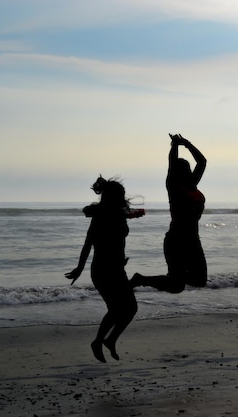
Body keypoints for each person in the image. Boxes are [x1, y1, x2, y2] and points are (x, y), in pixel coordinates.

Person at [65, 176, 145, 363]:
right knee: (120, 308)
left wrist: (136, 214)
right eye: (121, 194)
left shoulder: (117, 213)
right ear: (112, 197)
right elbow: (88, 243)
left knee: (129, 308)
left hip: (116, 268)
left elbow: (123, 219)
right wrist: (79, 268)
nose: (124, 197)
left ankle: (109, 340)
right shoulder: (101, 216)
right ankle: (100, 341)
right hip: (103, 270)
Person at [131, 134, 207, 293]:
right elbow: (172, 163)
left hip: (193, 239)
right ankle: (141, 280)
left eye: (188, 167)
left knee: (198, 281)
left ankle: (143, 279)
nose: (189, 169)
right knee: (176, 286)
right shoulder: (174, 188)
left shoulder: (192, 186)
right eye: (185, 168)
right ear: (179, 172)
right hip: (177, 239)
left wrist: (187, 143)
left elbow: (202, 161)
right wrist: (175, 145)